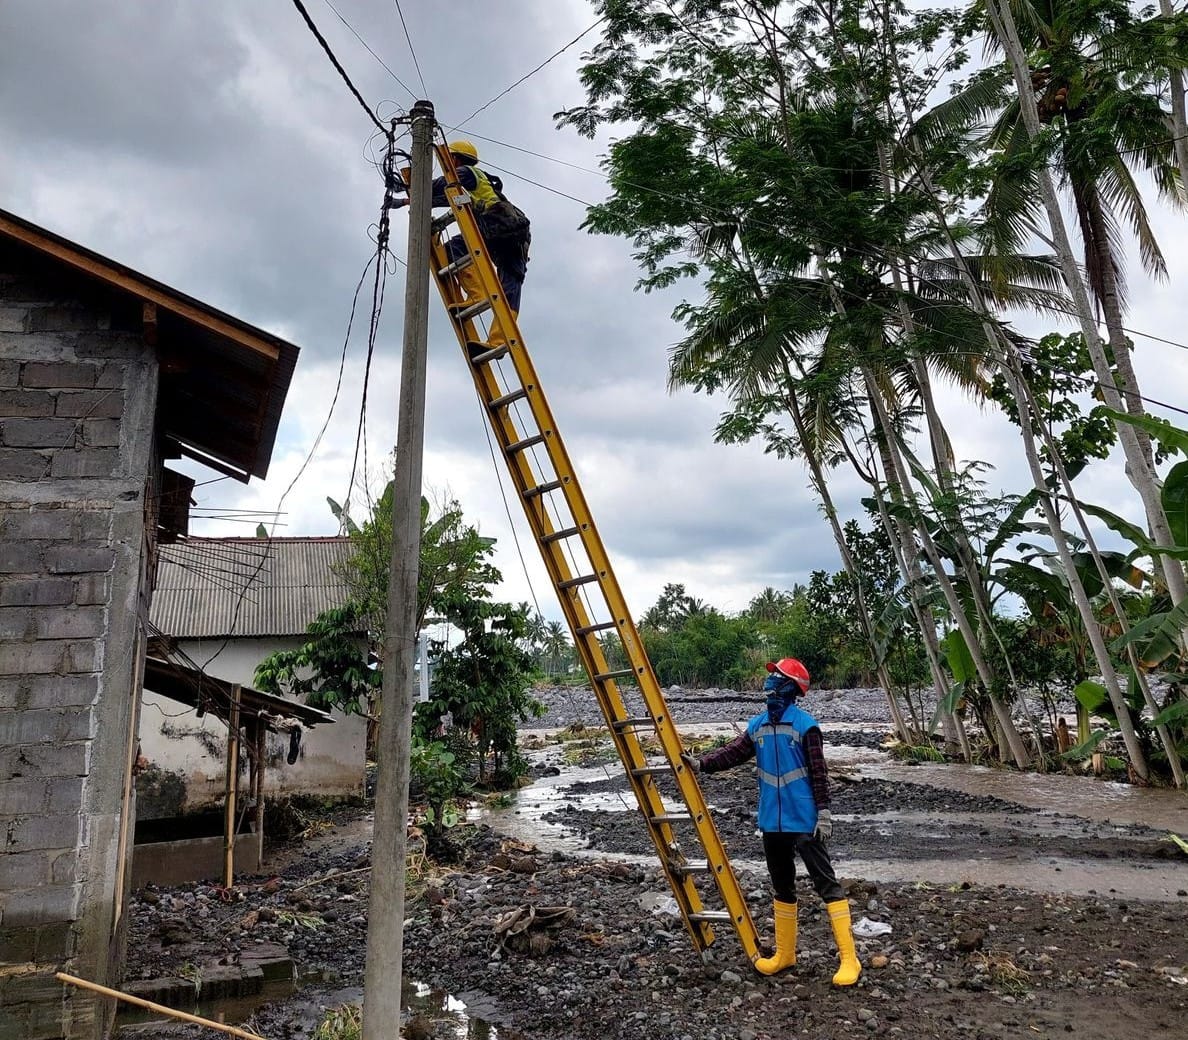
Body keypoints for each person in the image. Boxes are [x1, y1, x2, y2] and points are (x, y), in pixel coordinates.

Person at [683, 658, 861, 985]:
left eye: (776, 677)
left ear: (791, 686)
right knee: (782, 885)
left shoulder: (805, 726)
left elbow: (819, 774)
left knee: (826, 884)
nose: (770, 683)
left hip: (805, 820)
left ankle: (850, 960)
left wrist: (824, 814)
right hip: (772, 822)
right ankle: (784, 955)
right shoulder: (758, 725)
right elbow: (733, 753)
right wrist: (700, 764)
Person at [431, 139, 530, 356]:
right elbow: (438, 198)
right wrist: (405, 201)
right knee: (454, 250)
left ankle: (481, 302)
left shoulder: (466, 173)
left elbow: (436, 186)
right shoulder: (465, 187)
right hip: (499, 234)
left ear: (454, 158)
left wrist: (410, 184)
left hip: (504, 231)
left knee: (457, 250)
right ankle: (496, 338)